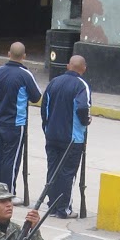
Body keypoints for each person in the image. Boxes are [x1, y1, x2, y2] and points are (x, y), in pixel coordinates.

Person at [41, 54, 90, 217]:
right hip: (72, 139)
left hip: (52, 135)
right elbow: (83, 108)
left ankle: (52, 205)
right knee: (68, 173)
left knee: (53, 169)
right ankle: (63, 208)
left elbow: (44, 108)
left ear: (68, 66)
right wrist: (86, 121)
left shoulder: (54, 82)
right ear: (84, 68)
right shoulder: (81, 86)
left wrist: (46, 129)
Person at [0, 42, 42, 192]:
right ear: (24, 56)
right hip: (15, 123)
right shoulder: (25, 75)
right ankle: (8, 192)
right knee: (11, 160)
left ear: (8, 54)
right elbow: (36, 97)